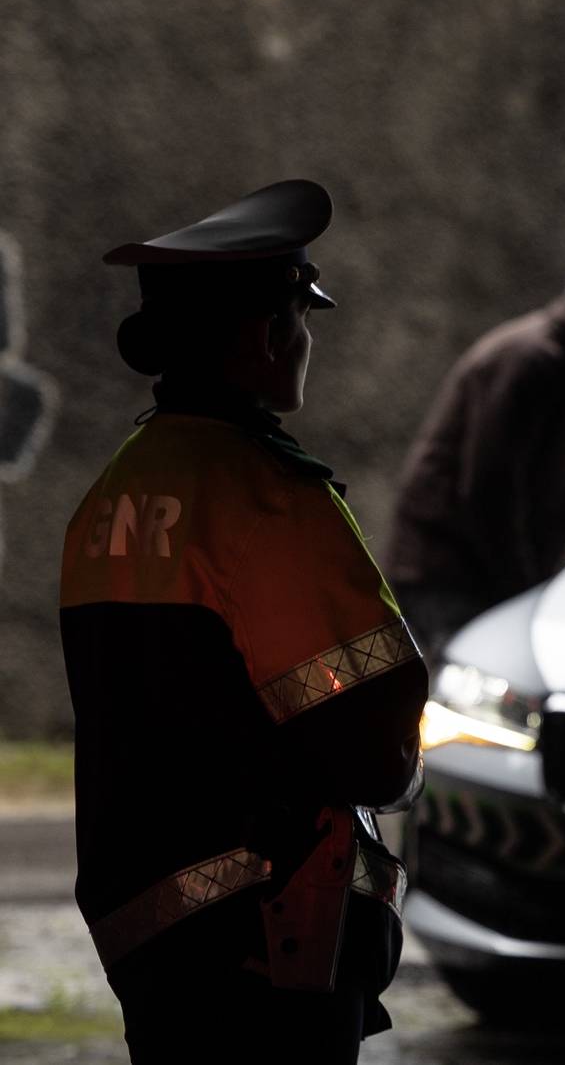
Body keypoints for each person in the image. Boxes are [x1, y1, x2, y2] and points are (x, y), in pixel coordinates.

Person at [61, 179, 426, 1063]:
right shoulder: (270, 498)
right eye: (300, 319)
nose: (304, 341)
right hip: (268, 946)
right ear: (268, 335)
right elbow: (376, 750)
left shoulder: (111, 494)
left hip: (151, 939)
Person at [387, 239, 565, 655]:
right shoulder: (533, 363)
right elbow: (490, 494)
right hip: (451, 584)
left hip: (468, 584)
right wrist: (525, 595)